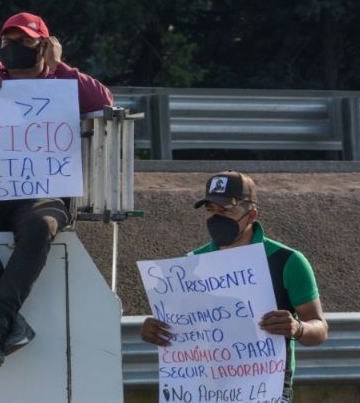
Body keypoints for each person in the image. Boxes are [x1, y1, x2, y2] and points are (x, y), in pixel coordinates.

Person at [0, 11, 114, 366]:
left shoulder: (63, 82)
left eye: (24, 40)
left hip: (41, 191)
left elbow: (103, 103)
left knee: (41, 225)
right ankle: (4, 318)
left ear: (45, 45)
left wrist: (61, 66)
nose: (14, 46)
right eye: (8, 40)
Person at [140, 170, 328, 401]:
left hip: (266, 389)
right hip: (205, 390)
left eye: (226, 210)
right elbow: (181, 327)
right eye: (210, 209)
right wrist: (154, 330)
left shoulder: (287, 260)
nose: (216, 217)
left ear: (251, 215)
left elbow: (319, 328)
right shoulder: (190, 264)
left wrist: (298, 328)